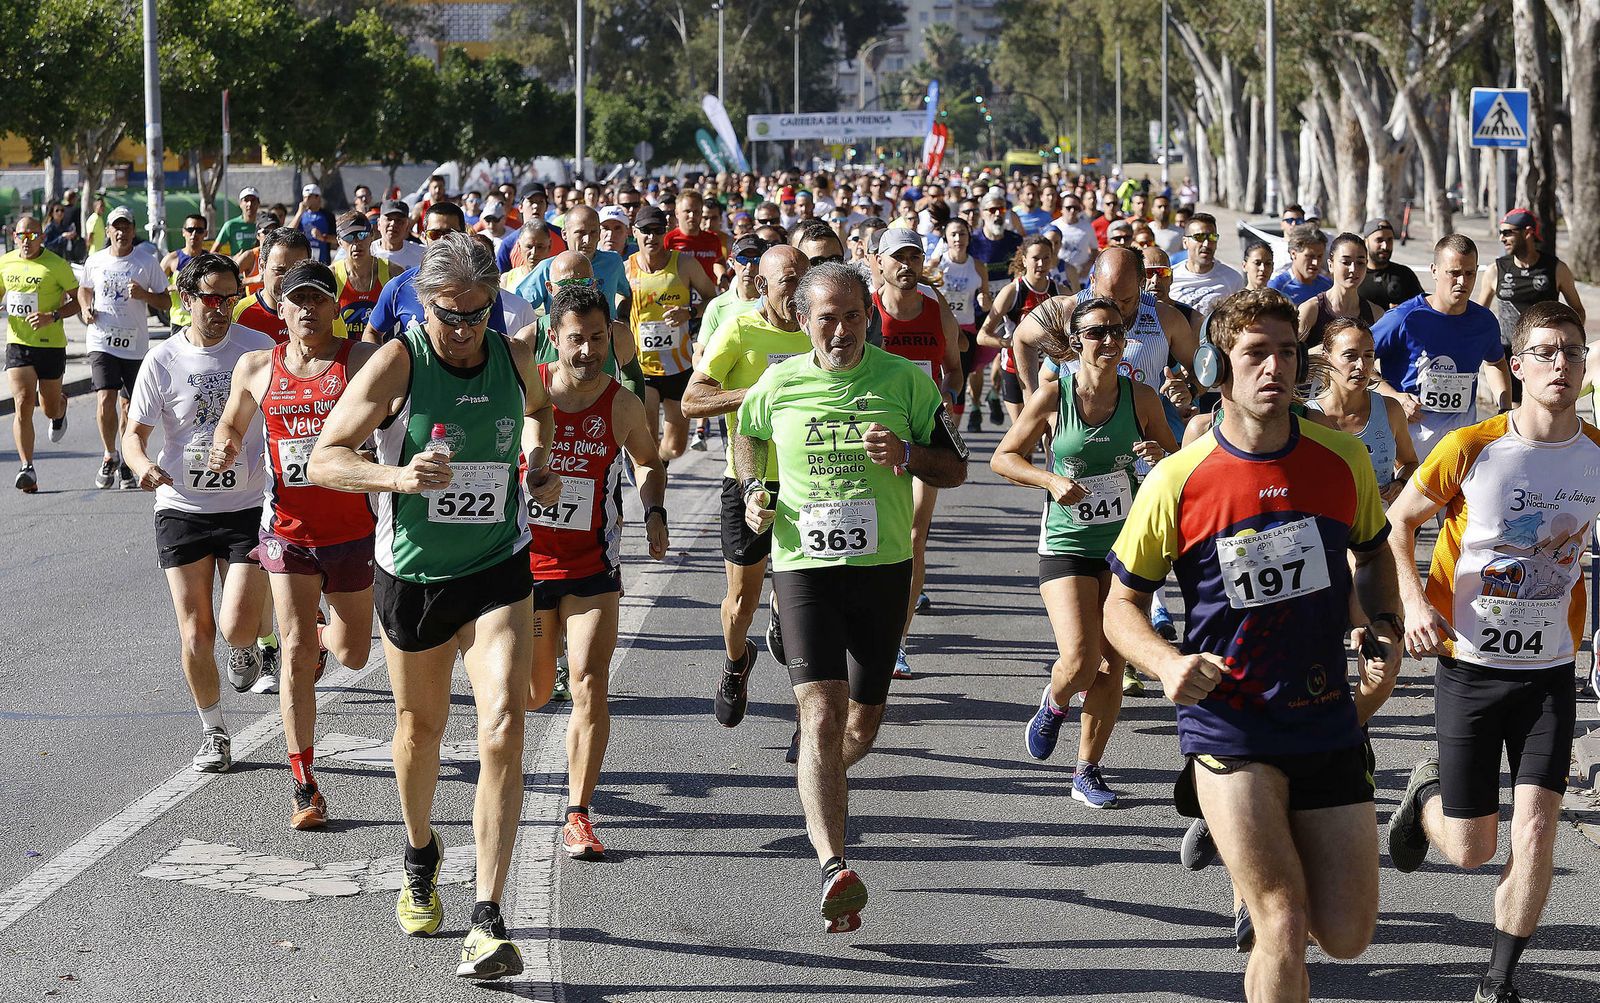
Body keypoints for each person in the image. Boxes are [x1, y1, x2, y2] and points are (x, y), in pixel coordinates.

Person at [1103, 288, 1401, 1003]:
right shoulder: (1179, 479)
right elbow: (1120, 607)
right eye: (1255, 353)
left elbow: (1376, 552)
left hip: (1326, 713)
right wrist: (1167, 662)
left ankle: (1237, 834)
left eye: (1287, 351)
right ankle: (1229, 817)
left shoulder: (1342, 458)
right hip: (1230, 720)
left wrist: (1380, 622)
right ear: (1219, 367)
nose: (1274, 367)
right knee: (1282, 919)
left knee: (1349, 933)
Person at [307, 232, 562, 980]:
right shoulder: (398, 361)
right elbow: (326, 456)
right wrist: (397, 478)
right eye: (451, 315)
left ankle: (487, 914)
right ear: (426, 305)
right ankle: (420, 847)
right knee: (420, 729)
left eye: (477, 314)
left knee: (504, 724)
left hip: (497, 566)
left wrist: (538, 462)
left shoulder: (513, 357)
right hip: (412, 575)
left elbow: (542, 408)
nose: (464, 330)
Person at [735, 261, 968, 934]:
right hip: (804, 566)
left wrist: (906, 453)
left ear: (871, 317)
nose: (841, 330)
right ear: (803, 320)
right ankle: (833, 862)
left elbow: (955, 466)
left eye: (854, 316)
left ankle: (817, 780)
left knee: (859, 726)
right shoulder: (779, 381)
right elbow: (749, 434)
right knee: (824, 714)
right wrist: (753, 491)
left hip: (883, 568)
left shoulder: (904, 381)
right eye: (827, 318)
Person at [1385, 301, 1600, 1003]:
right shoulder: (1472, 447)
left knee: (1536, 828)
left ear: (1585, 363)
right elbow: (1398, 525)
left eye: (1571, 350)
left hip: (1548, 674)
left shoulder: (1597, 453)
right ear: (1517, 366)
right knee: (1474, 848)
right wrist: (1415, 603)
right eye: (1544, 351)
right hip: (1470, 668)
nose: (1559, 363)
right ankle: (1424, 799)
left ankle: (1496, 982)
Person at [208, 259, 379, 828]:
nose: (307, 310)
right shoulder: (258, 366)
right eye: (296, 300)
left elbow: (396, 411)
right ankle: (304, 781)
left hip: (352, 529)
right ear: (279, 308)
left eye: (318, 300)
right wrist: (224, 448)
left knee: (353, 653)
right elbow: (232, 423)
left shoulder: (359, 361)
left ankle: (322, 643)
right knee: (296, 650)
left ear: (335, 307)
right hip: (286, 530)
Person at [993, 296, 1177, 808]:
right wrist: (1050, 479)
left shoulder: (1141, 397)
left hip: (1123, 546)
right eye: (1097, 333)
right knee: (1080, 660)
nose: (1110, 341)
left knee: (1112, 666)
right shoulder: (1054, 395)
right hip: (1068, 543)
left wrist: (1160, 455)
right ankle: (1054, 702)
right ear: (1076, 344)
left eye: (1117, 331)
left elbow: (1177, 463)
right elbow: (1004, 458)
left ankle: (1086, 770)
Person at [122, 253, 278, 773]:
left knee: (235, 627)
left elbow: (288, 414)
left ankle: (250, 643)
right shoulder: (162, 361)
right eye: (210, 297)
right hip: (182, 505)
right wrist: (142, 466)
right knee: (195, 632)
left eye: (230, 297)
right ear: (186, 299)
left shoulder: (258, 349)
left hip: (247, 505)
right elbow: (134, 437)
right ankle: (213, 731)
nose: (221, 308)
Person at [528, 286, 669, 861]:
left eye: (596, 339)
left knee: (589, 681)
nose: (586, 351)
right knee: (534, 693)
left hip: (592, 567)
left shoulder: (622, 404)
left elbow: (647, 462)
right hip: (525, 566)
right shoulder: (526, 389)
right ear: (554, 339)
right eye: (575, 340)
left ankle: (578, 813)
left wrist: (655, 508)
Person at [683, 245, 813, 724]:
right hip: (749, 480)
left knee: (810, 600)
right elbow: (692, 401)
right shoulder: (739, 328)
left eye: (806, 279)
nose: (800, 292)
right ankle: (737, 663)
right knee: (741, 604)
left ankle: (813, 716)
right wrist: (757, 393)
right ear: (763, 286)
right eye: (789, 283)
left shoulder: (819, 330)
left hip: (811, 482)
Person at [874, 228, 963, 677]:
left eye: (915, 257)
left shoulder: (935, 307)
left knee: (913, 536)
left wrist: (947, 414)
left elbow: (954, 372)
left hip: (924, 437)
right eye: (898, 258)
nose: (907, 266)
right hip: (874, 437)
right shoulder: (867, 312)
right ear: (880, 262)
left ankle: (897, 641)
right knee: (876, 536)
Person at [1371, 234, 1511, 460]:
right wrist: (1395, 397)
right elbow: (1359, 360)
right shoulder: (1404, 318)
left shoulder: (1484, 321)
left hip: (1461, 442)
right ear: (1434, 271)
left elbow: (1495, 362)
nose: (1462, 282)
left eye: (1469, 273)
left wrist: (1504, 408)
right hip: (1410, 443)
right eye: (1454, 273)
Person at [80, 206, 170, 490]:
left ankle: (127, 461)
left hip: (134, 345)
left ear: (133, 231)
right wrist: (85, 308)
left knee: (129, 406)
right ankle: (110, 454)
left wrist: (144, 295)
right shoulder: (95, 261)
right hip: (101, 340)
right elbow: (84, 289)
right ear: (107, 231)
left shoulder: (146, 262)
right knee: (105, 397)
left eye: (126, 227)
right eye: (115, 227)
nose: (121, 232)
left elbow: (166, 302)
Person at [625, 205, 719, 461]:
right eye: (645, 231)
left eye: (657, 231)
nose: (651, 237)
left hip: (678, 367)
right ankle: (649, 472)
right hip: (642, 367)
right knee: (646, 437)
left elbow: (712, 299)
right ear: (635, 233)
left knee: (676, 448)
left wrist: (688, 312)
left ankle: (659, 463)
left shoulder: (685, 264)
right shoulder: (626, 269)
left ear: (665, 233)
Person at [1474, 208, 1587, 404]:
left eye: (1508, 232)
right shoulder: (1496, 270)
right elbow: (1478, 315)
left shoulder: (1556, 268)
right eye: (1501, 232)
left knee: (1547, 406)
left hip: (1546, 355)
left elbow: (1578, 309)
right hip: (1508, 354)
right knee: (1513, 412)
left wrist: (1570, 343)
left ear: (1528, 232)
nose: (1502, 238)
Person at [2, 213, 80, 492]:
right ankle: (27, 468)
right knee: (22, 402)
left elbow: (78, 301)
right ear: (14, 237)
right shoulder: (6, 261)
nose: (27, 240)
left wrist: (53, 315)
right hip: (18, 343)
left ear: (42, 237)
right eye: (22, 235)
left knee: (47, 408)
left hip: (50, 345)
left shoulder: (56, 265)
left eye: (33, 235)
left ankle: (60, 408)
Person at [1307, 320, 1417, 502]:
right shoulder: (1307, 416)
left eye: (1368, 356)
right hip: (1329, 524)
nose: (1361, 365)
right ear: (1326, 359)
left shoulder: (1390, 409)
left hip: (1381, 526)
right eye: (1350, 356)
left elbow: (1410, 463)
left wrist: (1400, 483)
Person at [978, 235, 1059, 427]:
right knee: (1025, 433)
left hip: (1048, 371)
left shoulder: (1059, 291)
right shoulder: (1013, 292)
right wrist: (1012, 343)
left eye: (1046, 258)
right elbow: (983, 336)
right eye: (1035, 258)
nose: (1041, 263)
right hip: (1016, 370)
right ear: (1024, 259)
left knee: (1050, 432)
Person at [931, 218, 991, 433]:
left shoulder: (977, 266)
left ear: (969, 237)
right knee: (935, 380)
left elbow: (985, 298)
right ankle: (933, 427)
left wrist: (985, 301)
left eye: (962, 234)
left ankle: (952, 436)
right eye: (953, 234)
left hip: (965, 330)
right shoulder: (937, 265)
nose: (958, 239)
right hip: (938, 329)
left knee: (959, 381)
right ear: (946, 238)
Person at [1298, 232, 1384, 351]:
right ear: (1330, 265)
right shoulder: (1311, 310)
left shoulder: (1376, 314)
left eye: (1360, 263)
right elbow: (1290, 356)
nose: (1353, 269)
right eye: (1346, 262)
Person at [233, 227, 311, 346]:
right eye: (280, 271)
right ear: (261, 266)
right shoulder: (236, 315)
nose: (288, 280)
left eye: (297, 271)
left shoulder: (323, 314)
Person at [330, 210, 394, 339]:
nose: (356, 243)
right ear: (339, 241)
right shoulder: (331, 275)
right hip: (344, 356)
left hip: (381, 355)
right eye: (348, 237)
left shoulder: (392, 272)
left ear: (372, 235)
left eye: (362, 235)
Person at [1168, 212, 1245, 319]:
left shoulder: (1232, 279)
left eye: (1212, 237)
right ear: (1185, 242)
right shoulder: (1170, 277)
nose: (1206, 244)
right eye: (1199, 237)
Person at [1356, 218, 1424, 311]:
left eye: (1389, 240)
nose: (1385, 246)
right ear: (1365, 242)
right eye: (1379, 240)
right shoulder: (1356, 275)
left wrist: (1403, 311)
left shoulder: (1404, 274)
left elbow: (1422, 308)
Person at [163, 214, 208, 339]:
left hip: (204, 320)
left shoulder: (210, 260)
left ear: (205, 233)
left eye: (199, 230)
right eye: (190, 230)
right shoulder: (172, 259)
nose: (194, 234)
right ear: (183, 232)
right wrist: (175, 287)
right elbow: (156, 289)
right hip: (179, 321)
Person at [1267, 225, 1333, 306]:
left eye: (1319, 256)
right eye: (1310, 256)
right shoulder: (1277, 288)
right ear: (1293, 254)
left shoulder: (1328, 286)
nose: (1315, 262)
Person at [372, 199, 425, 272]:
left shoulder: (421, 255)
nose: (393, 224)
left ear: (407, 226)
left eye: (399, 220)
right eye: (389, 219)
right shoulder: (369, 252)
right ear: (378, 224)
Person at [289, 184, 337, 264]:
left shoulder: (328, 216)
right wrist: (299, 212)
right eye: (304, 197)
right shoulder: (300, 215)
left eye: (308, 197)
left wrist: (322, 237)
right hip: (302, 261)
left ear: (317, 197)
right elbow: (289, 231)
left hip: (323, 261)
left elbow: (336, 239)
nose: (305, 200)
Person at [211, 187, 262, 257]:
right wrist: (232, 259)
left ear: (258, 203)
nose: (249, 204)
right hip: (237, 267)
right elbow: (213, 253)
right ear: (240, 203)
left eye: (253, 200)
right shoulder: (230, 225)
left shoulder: (264, 225)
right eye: (246, 200)